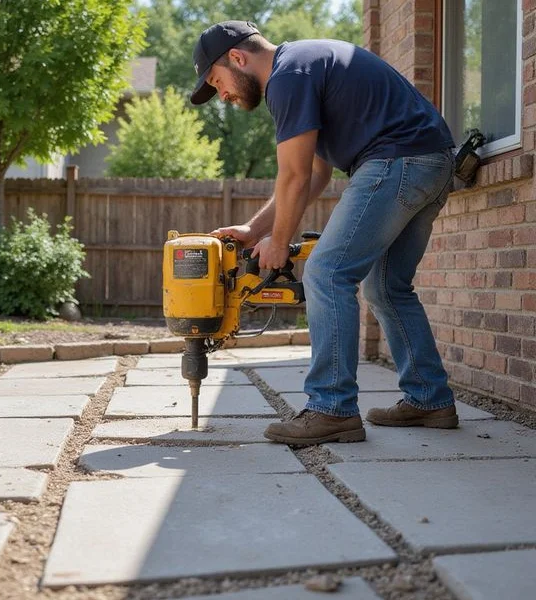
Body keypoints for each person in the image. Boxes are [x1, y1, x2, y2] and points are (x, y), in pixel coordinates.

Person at [191, 20, 459, 446]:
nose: (222, 95)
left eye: (217, 82)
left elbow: (294, 176)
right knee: (387, 287)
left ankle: (331, 410)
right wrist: (253, 229)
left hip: (396, 162)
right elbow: (315, 174)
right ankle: (430, 398)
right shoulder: (304, 66)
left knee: (326, 272)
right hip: (429, 161)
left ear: (237, 58)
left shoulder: (287, 77)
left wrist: (279, 244)